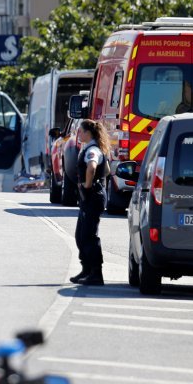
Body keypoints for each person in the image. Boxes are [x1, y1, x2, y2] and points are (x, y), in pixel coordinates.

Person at [70, 119, 110, 286]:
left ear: (88, 133)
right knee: (80, 235)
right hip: (90, 197)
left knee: (88, 235)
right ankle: (86, 269)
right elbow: (106, 170)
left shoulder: (92, 150)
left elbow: (92, 168)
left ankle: (96, 273)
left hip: (92, 196)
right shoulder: (91, 148)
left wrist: (87, 185)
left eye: (81, 131)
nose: (79, 134)